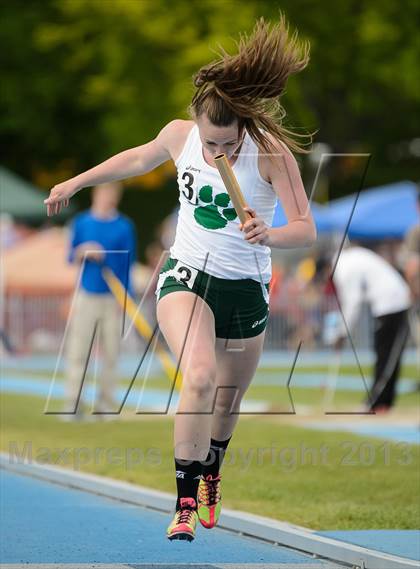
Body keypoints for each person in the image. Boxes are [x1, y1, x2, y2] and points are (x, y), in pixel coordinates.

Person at [44, 17, 316, 540]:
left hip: (246, 288)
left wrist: (269, 234)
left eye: (229, 145)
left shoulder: (272, 156)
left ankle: (212, 470)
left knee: (226, 402)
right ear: (197, 122)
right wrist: (76, 182)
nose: (220, 154)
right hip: (187, 276)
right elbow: (135, 159)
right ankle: (185, 500)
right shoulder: (180, 136)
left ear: (245, 127)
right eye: (213, 144)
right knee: (197, 377)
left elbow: (304, 228)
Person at [64, 182, 137, 419]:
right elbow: (71, 257)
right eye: (104, 194)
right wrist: (84, 250)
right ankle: (74, 403)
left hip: (113, 298)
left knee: (112, 353)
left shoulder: (124, 226)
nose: (108, 198)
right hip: (87, 295)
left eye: (112, 194)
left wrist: (125, 299)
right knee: (79, 351)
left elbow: (129, 264)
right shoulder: (82, 223)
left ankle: (105, 404)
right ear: (96, 195)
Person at [331, 243, 411, 413]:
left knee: (387, 356)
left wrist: (342, 333)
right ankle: (383, 402)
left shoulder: (343, 268)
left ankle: (376, 402)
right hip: (388, 304)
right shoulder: (350, 258)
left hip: (393, 304)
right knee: (385, 355)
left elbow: (352, 302)